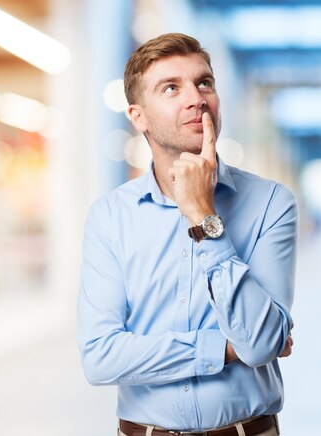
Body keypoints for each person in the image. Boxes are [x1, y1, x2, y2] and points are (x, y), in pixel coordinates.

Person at [77, 33, 298, 436]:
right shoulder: (110, 217)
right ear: (138, 116)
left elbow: (263, 343)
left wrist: (202, 214)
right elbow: (100, 357)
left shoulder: (271, 203)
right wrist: (226, 349)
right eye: (171, 88)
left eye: (204, 83)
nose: (196, 98)